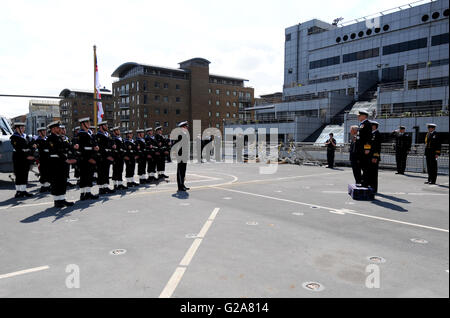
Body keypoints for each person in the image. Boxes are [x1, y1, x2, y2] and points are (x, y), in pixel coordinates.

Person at [46, 121, 76, 208]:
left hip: (61, 162)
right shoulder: (50, 138)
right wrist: (66, 159)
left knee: (62, 181)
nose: (60, 129)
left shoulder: (59, 138)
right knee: (56, 182)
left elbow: (65, 148)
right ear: (53, 129)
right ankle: (57, 200)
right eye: (58, 128)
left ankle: (62, 199)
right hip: (55, 162)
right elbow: (57, 151)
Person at [76, 117, 99, 200]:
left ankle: (88, 192)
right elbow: (80, 149)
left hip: (92, 157)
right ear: (83, 124)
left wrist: (96, 147)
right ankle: (82, 193)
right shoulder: (80, 134)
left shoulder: (90, 133)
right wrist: (88, 158)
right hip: (85, 159)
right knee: (83, 176)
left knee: (89, 176)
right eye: (87, 123)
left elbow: (94, 143)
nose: (89, 124)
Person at [10, 122, 34, 198]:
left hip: (26, 157)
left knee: (25, 173)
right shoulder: (14, 137)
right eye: (22, 127)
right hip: (18, 157)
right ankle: (18, 191)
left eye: (24, 127)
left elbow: (29, 146)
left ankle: (23, 190)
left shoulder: (25, 136)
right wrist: (26, 156)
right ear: (17, 129)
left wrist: (32, 146)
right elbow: (18, 149)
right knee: (19, 174)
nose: (24, 129)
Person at [96, 121, 115, 194]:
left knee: (106, 172)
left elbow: (110, 144)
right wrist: (107, 156)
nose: (107, 126)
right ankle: (101, 188)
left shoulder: (108, 135)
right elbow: (100, 148)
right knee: (101, 173)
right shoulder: (98, 135)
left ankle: (106, 187)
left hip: (108, 157)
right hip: (102, 157)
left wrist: (113, 146)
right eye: (105, 125)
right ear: (101, 127)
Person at [355, 110, 373, 188]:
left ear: (364, 116)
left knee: (365, 166)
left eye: (359, 115)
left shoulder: (367, 124)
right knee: (362, 165)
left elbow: (369, 137)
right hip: (360, 148)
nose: (358, 117)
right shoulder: (362, 124)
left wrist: (367, 148)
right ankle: (364, 181)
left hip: (364, 149)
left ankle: (365, 182)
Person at [173, 121, 190, 191]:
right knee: (180, 170)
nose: (187, 128)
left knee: (183, 170)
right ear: (182, 127)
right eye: (185, 126)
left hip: (184, 154)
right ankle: (180, 186)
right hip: (180, 154)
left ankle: (182, 184)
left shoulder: (185, 134)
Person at [35, 127, 51, 192]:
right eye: (43, 131)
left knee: (48, 172)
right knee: (43, 172)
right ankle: (43, 186)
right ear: (39, 132)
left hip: (48, 158)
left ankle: (47, 186)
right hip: (42, 158)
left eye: (45, 131)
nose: (44, 132)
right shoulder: (37, 140)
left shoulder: (47, 139)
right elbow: (36, 150)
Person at [368, 121, 381, 193]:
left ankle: (374, 188)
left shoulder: (377, 134)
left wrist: (375, 157)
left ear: (374, 126)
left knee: (374, 173)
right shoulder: (372, 134)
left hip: (374, 157)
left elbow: (377, 148)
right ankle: (371, 186)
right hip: (370, 156)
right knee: (371, 172)